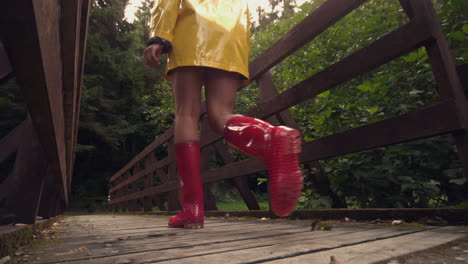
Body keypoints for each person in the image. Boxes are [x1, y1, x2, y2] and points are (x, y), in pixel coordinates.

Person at [144, 0, 303, 229]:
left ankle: (193, 210)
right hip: (231, 34)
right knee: (220, 116)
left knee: (186, 114)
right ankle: (271, 136)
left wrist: (158, 37)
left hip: (191, 30)